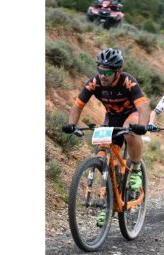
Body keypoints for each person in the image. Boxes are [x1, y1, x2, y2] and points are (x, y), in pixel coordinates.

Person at [62, 48, 150, 193]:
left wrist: (142, 126)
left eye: (108, 73)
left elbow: (143, 107)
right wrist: (72, 124)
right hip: (112, 117)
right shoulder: (94, 83)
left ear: (118, 72)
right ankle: (109, 197)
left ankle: (136, 170)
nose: (103, 76)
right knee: (101, 152)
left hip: (131, 113)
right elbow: (77, 106)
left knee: (129, 132)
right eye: (100, 71)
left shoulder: (127, 82)